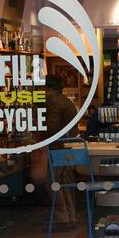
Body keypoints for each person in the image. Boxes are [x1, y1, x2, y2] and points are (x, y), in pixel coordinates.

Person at [43, 73, 80, 228]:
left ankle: (63, 218)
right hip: (68, 146)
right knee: (64, 182)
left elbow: (52, 126)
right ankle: (71, 217)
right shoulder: (65, 101)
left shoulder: (52, 100)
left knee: (53, 182)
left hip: (57, 147)